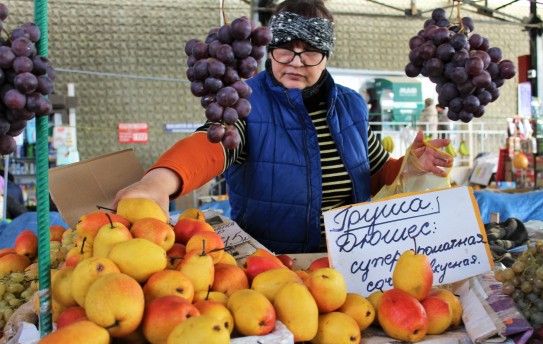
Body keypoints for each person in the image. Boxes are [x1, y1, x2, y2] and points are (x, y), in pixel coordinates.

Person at [114, 0, 453, 254]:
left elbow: (376, 172)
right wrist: (158, 182)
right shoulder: (248, 100)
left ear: (326, 55)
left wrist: (412, 165)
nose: (294, 63)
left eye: (309, 54)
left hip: (351, 264)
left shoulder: (351, 106)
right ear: (269, 50)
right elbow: (213, 144)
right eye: (284, 51)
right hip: (272, 266)